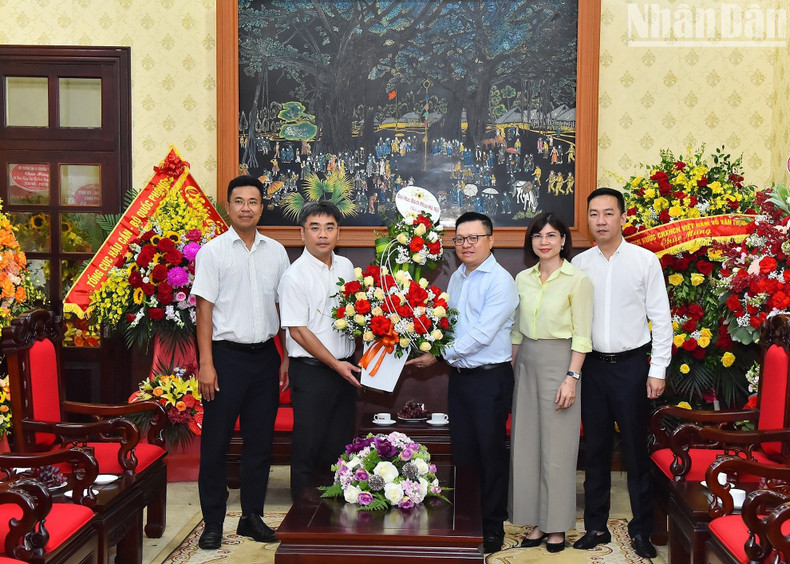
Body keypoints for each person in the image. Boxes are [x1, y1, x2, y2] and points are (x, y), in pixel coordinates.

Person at [406, 211, 518, 554]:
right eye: (460, 239)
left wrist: (437, 356)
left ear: (490, 240)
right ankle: (468, 519)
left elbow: (482, 335)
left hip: (490, 379)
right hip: (460, 379)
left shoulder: (501, 281)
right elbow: (448, 325)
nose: (465, 245)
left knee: (490, 453)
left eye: (473, 238)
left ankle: (493, 525)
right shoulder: (457, 277)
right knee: (464, 453)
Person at [571, 187, 672, 559]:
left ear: (623, 217)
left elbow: (661, 321)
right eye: (594, 214)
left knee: (634, 453)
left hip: (632, 367)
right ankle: (595, 526)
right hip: (593, 368)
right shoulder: (579, 265)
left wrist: (657, 369)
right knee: (595, 451)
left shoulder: (646, 261)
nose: (601, 221)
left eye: (608, 213)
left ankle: (641, 529)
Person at [192, 175, 290, 549]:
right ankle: (213, 521)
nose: (246, 208)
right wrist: (206, 363)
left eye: (253, 201)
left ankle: (252, 516)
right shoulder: (212, 252)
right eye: (239, 201)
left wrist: (284, 358)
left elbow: (284, 308)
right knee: (216, 444)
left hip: (266, 357)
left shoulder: (277, 252)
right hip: (225, 360)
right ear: (228, 206)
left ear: (262, 207)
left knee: (259, 443)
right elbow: (204, 310)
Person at [510, 212, 593, 553]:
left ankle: (556, 526)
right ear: (531, 242)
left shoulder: (578, 280)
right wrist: (513, 365)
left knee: (557, 449)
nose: (544, 241)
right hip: (525, 362)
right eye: (537, 236)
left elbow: (583, 336)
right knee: (526, 446)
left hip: (562, 362)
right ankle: (533, 521)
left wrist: (571, 378)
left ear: (563, 240)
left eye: (551, 235)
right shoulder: (522, 278)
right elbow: (516, 328)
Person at [277, 201, 361, 502]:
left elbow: (354, 316)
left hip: (345, 369)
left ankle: (333, 512)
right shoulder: (294, 276)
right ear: (302, 234)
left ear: (338, 233)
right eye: (314, 228)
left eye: (329, 228)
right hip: (312, 371)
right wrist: (335, 364)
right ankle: (302, 515)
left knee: (339, 444)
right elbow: (298, 330)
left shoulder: (346, 267)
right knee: (308, 445)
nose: (322, 235)